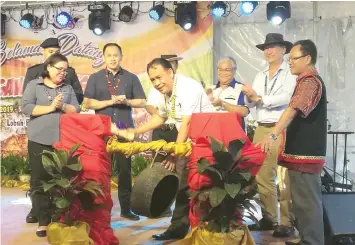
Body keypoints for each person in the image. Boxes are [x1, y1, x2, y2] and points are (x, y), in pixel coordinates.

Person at [120, 58, 214, 240]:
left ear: (170, 72)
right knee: (183, 184)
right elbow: (160, 118)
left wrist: (174, 156)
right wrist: (134, 130)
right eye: (153, 80)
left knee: (194, 186)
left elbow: (187, 123)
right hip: (189, 141)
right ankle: (179, 229)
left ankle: (205, 231)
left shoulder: (188, 87)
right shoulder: (165, 92)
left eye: (159, 77)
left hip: (206, 141)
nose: (156, 83)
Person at [258, 39, 326, 245]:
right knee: (301, 201)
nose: (290, 63)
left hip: (306, 153)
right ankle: (306, 238)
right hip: (300, 153)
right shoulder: (304, 80)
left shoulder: (310, 81)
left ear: (308, 58)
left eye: (294, 59)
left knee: (307, 202)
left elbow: (293, 110)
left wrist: (272, 134)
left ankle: (312, 241)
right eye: (289, 59)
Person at [83, 43, 146, 221]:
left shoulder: (131, 78)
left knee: (125, 171)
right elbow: (88, 103)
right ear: (103, 57)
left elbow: (142, 102)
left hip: (124, 127)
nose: (112, 58)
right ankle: (100, 209)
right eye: (109, 55)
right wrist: (109, 102)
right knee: (101, 170)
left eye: (115, 55)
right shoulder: (95, 78)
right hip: (102, 129)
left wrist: (127, 102)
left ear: (121, 56)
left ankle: (126, 209)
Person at [242, 33, 297, 237]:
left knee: (282, 177)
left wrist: (260, 98)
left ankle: (286, 222)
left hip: (280, 127)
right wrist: (249, 97)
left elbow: (287, 97)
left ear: (284, 49)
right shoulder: (260, 74)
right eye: (266, 47)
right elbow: (251, 103)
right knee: (262, 175)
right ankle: (269, 217)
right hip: (261, 126)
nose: (268, 51)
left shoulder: (290, 73)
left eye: (273, 47)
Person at [21, 53, 80, 237]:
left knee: (61, 180)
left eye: (65, 69)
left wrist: (63, 107)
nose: (63, 72)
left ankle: (59, 217)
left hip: (63, 141)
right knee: (39, 180)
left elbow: (76, 110)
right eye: (59, 68)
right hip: (39, 139)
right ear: (48, 67)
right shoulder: (34, 85)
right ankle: (43, 221)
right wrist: (51, 107)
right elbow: (26, 108)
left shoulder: (68, 88)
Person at [23, 37, 83, 105]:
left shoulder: (69, 72)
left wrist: (62, 103)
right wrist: (49, 105)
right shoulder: (33, 71)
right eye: (50, 52)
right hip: (40, 113)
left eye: (57, 52)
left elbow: (79, 96)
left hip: (64, 112)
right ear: (43, 52)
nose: (54, 55)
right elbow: (27, 98)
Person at [210, 56, 249, 131]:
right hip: (213, 133)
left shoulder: (241, 88)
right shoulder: (211, 89)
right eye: (220, 69)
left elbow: (244, 112)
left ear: (234, 71)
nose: (223, 73)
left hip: (234, 135)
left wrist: (223, 104)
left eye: (227, 70)